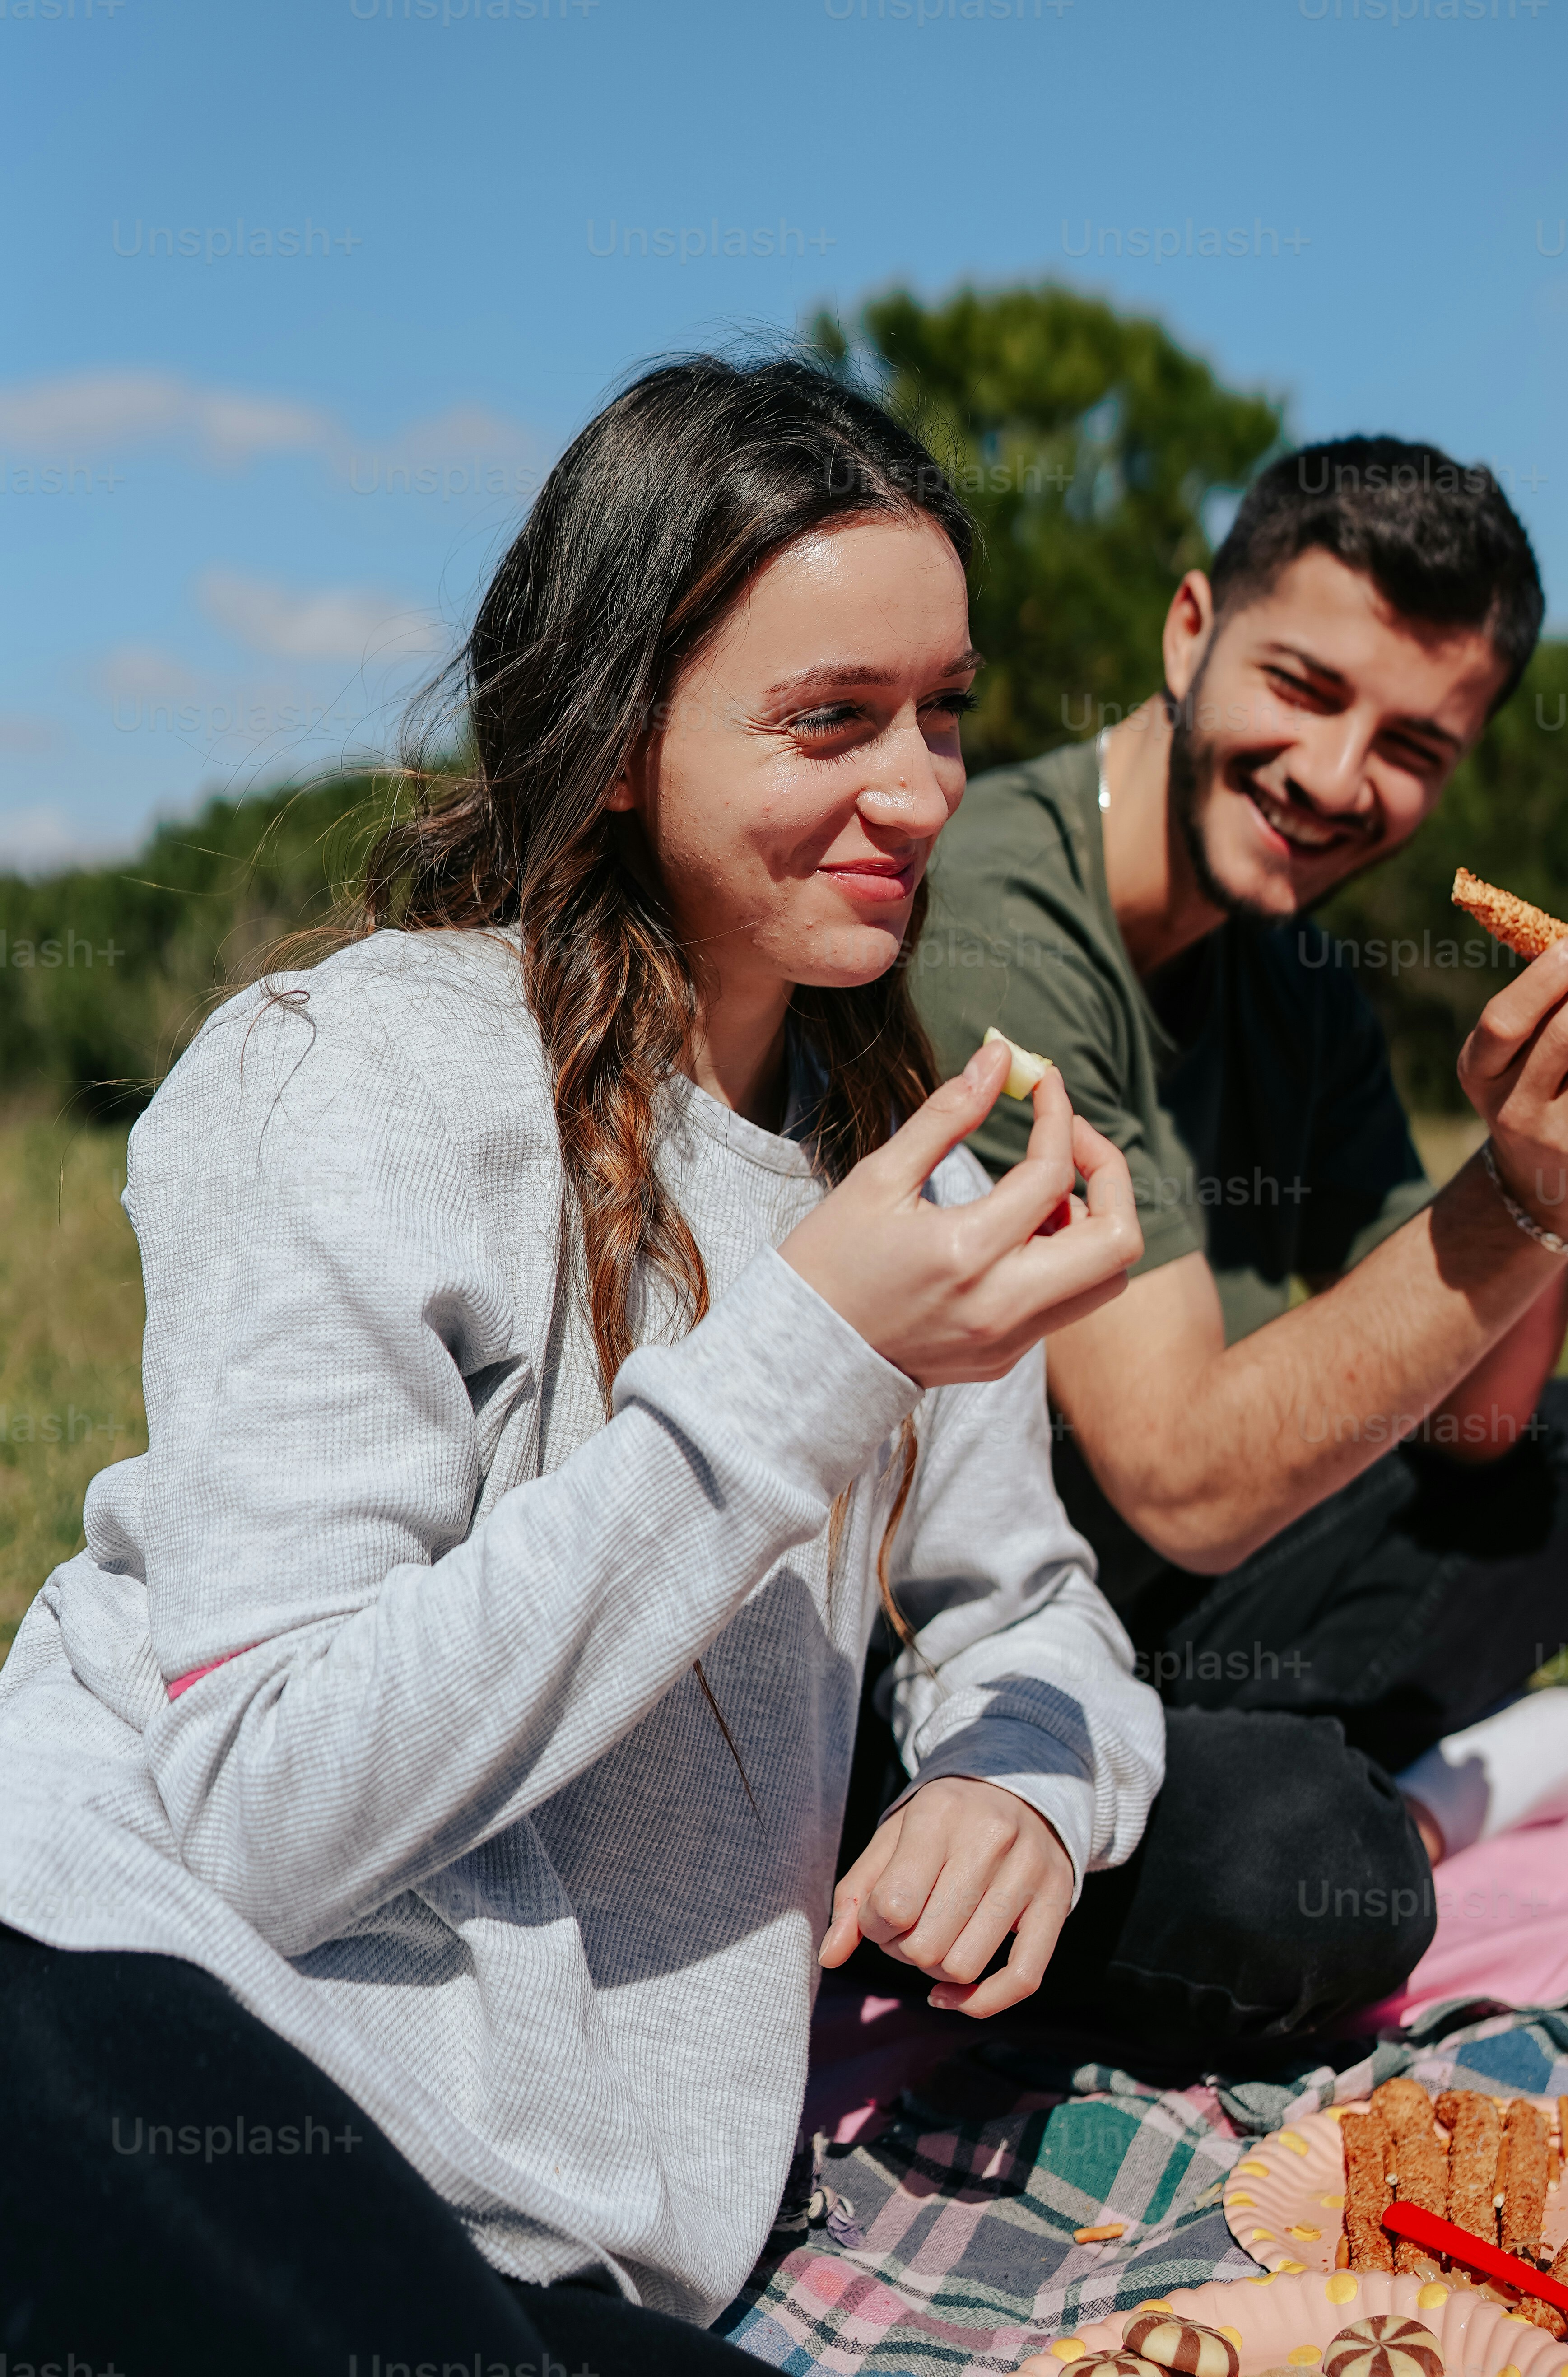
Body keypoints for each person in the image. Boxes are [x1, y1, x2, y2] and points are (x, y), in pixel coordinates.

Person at [0, 356, 1161, 2374]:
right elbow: (270, 1816)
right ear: (618, 735)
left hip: (596, 2224)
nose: (918, 792)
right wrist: (807, 1357)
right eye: (830, 720)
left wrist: (1019, 1781)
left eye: (943, 712)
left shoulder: (898, 1161)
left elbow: (1034, 1606)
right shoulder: (346, 1080)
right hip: (155, 2002)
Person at [907, 438, 1568, 2054]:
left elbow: (1475, 1428)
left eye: (1413, 742)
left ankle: (1292, 1755)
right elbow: (1183, 1476)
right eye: (1304, 688)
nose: (1339, 779)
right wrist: (1518, 1201)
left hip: (1191, 1589)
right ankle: (1382, 1797)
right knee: (1310, 1881)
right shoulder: (994, 914)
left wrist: (1556, 1184)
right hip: (982, 1636)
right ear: (1189, 631)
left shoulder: (1298, 978)